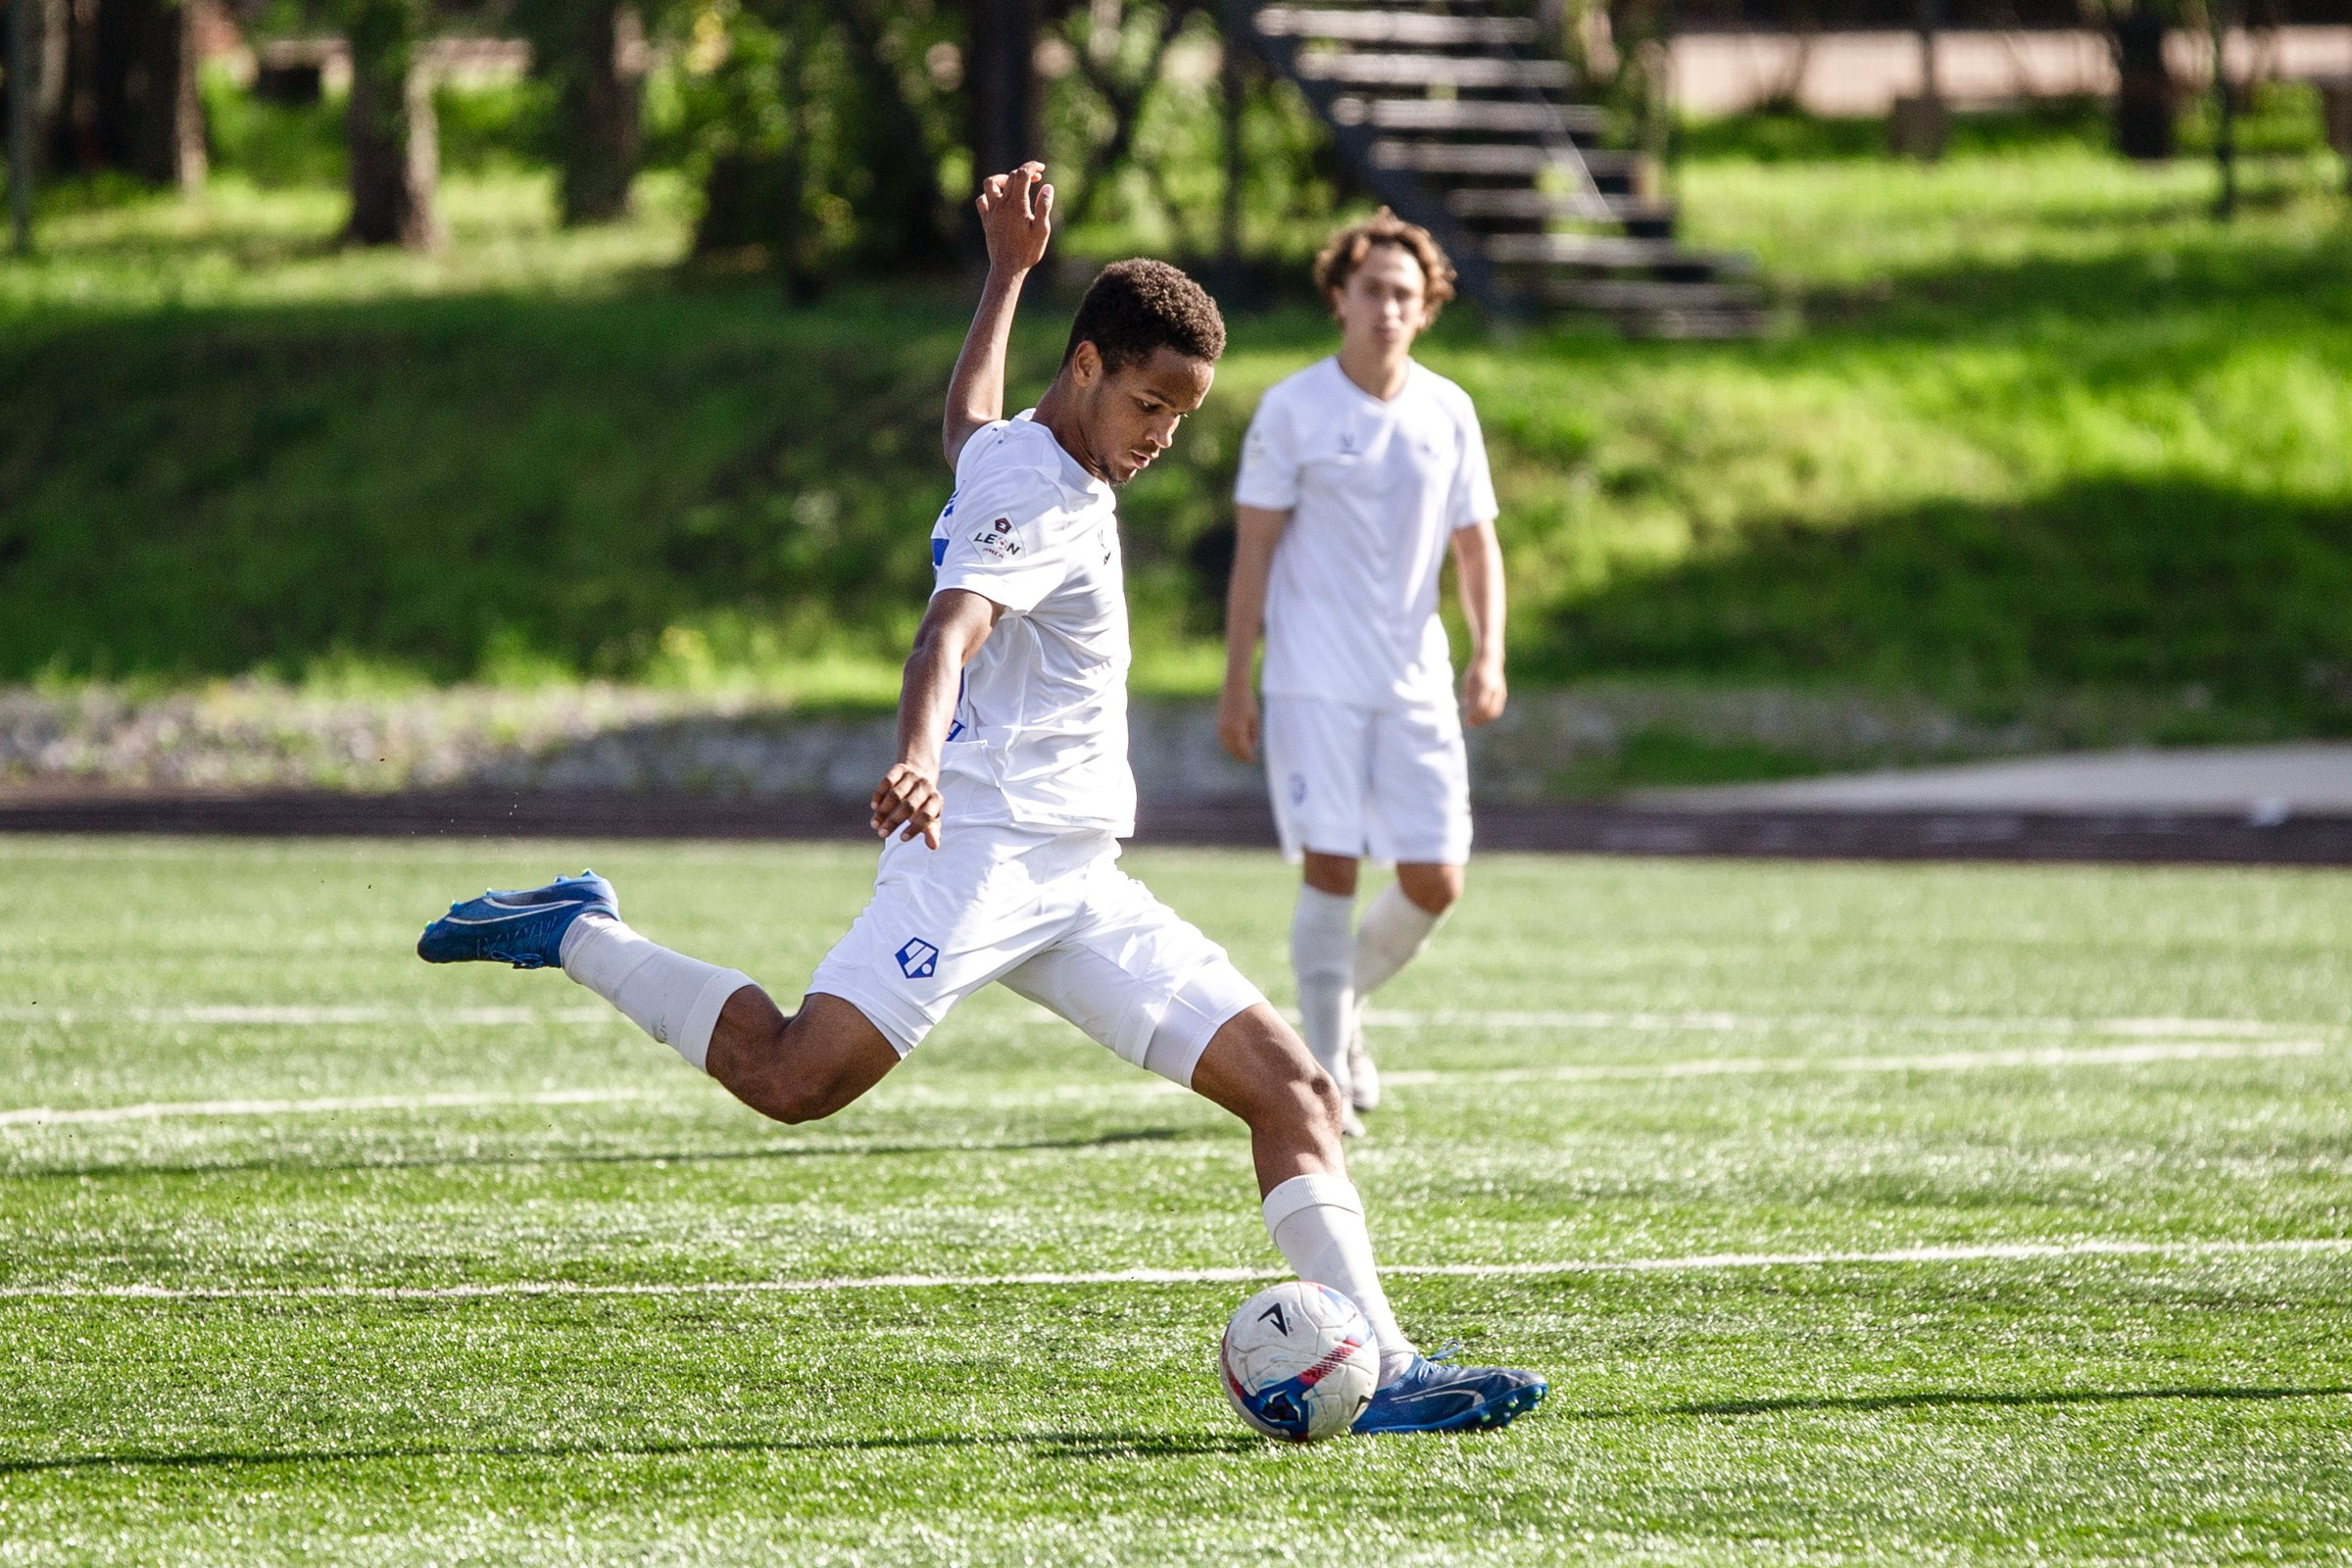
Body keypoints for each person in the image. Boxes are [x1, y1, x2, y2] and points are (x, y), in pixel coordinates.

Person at [416, 166, 1544, 1437]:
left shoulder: (1023, 449)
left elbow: (963, 423)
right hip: (979, 860)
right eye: (1150, 399)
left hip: (1078, 878)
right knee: (794, 1078)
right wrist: (915, 757)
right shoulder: (1039, 495)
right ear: (1088, 365)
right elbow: (943, 637)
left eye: (1183, 413)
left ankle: (1385, 1366)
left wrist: (1004, 270)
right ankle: (579, 927)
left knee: (1298, 1093)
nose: (1164, 433)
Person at [1218, 211, 1507, 1137]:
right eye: (1374, 290)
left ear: (1426, 313)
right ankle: (1324, 1078)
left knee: (1437, 880)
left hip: (1414, 680)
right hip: (1311, 681)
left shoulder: (1447, 411)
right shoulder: (1293, 409)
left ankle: (1340, 1018)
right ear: (1339, 297)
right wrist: (1237, 679)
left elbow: (1476, 547)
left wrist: (1487, 651)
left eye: (1406, 296)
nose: (1388, 308)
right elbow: (1254, 552)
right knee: (1332, 868)